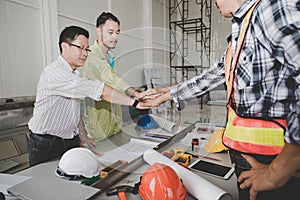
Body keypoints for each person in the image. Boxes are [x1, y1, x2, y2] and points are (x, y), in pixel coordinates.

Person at [138, 0, 300, 199]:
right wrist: (166, 94)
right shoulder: (243, 30)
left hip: (278, 162)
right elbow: (210, 76)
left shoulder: (272, 8)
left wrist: (277, 172)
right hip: (250, 159)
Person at [28, 25, 147, 167]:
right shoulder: (54, 73)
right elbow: (100, 90)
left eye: (87, 49)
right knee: (43, 183)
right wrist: (134, 102)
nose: (85, 53)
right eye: (80, 48)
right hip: (46, 143)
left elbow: (73, 109)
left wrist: (82, 136)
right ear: (64, 46)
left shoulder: (75, 74)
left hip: (69, 140)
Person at [81, 12, 140, 142]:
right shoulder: (91, 56)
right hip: (99, 120)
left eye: (117, 32)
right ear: (99, 31)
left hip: (115, 117)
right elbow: (111, 79)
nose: (115, 37)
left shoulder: (111, 56)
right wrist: (134, 93)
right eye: (110, 32)